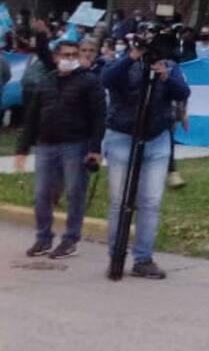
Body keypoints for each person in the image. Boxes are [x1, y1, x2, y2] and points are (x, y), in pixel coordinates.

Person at [101, 35, 191, 279]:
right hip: (122, 136)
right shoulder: (125, 63)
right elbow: (107, 79)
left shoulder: (170, 68)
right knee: (119, 202)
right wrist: (132, 56)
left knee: (150, 202)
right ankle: (116, 255)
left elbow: (184, 92)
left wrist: (166, 76)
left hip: (157, 138)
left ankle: (143, 259)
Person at [14, 26, 105, 260]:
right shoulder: (46, 82)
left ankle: (70, 239)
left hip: (76, 145)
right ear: (56, 58)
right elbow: (32, 117)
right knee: (42, 194)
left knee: (75, 192)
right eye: (66, 56)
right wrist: (22, 148)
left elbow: (98, 117)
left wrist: (95, 149)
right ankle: (43, 237)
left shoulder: (89, 82)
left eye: (74, 56)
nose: (70, 60)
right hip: (46, 145)